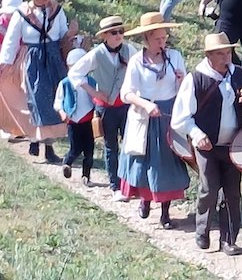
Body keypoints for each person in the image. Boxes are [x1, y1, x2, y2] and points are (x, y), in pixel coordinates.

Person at [172, 32, 242, 256]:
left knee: (232, 193)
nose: (226, 57)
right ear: (208, 55)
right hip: (206, 145)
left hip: (233, 146)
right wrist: (197, 134)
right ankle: (203, 231)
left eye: (228, 52)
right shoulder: (195, 79)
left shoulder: (240, 75)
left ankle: (229, 240)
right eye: (220, 53)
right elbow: (180, 118)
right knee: (209, 189)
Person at [119, 12, 190, 229]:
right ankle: (145, 199)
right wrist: (146, 105)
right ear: (147, 38)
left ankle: (165, 213)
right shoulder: (136, 61)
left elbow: (185, 90)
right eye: (157, 39)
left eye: (164, 37)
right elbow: (126, 94)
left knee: (167, 163)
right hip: (144, 116)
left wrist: (181, 81)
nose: (162, 42)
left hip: (168, 115)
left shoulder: (174, 57)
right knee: (144, 162)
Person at [0, 0, 75, 163]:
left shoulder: (57, 11)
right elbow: (11, 40)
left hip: (53, 58)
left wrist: (71, 37)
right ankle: (35, 138)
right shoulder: (21, 13)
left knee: (53, 100)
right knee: (35, 98)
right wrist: (4, 63)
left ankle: (47, 146)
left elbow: (62, 34)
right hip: (32, 59)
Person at [67, 15, 137, 202]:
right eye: (114, 32)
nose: (119, 35)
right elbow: (74, 73)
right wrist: (93, 92)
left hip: (126, 104)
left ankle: (129, 183)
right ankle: (115, 186)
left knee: (129, 145)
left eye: (121, 31)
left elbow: (140, 67)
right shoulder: (96, 54)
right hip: (106, 108)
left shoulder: (129, 50)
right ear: (105, 35)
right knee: (111, 146)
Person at [54, 48, 96, 186]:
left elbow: (97, 98)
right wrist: (62, 112)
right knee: (75, 148)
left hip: (89, 120)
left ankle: (86, 175)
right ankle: (67, 163)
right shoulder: (65, 83)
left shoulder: (91, 81)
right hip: (73, 121)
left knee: (89, 150)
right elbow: (58, 102)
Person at [0, 0, 35, 142]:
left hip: (19, 62)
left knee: (20, 95)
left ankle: (20, 127)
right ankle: (6, 126)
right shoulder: (1, 23)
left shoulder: (24, 21)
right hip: (5, 63)